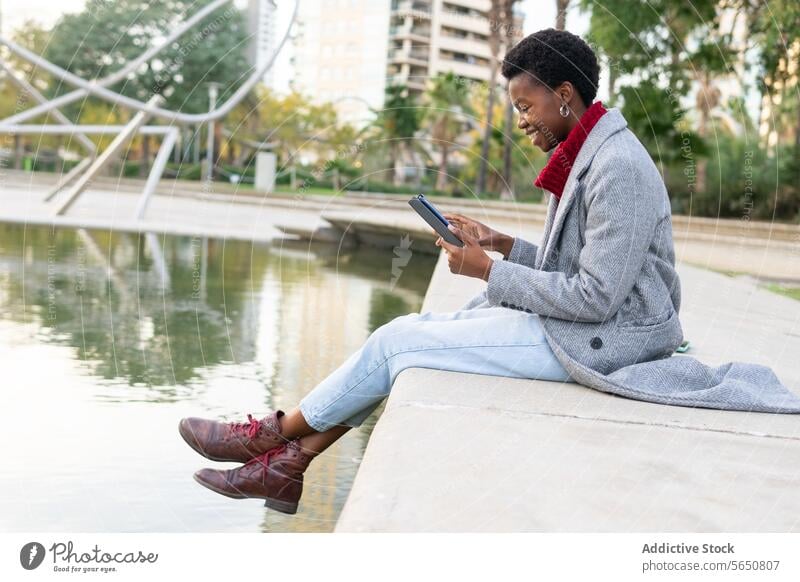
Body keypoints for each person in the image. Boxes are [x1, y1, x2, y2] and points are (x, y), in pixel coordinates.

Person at [179, 27, 682, 515]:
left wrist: (488, 271)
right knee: (415, 334)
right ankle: (289, 461)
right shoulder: (589, 152)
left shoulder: (616, 168)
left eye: (526, 107)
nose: (522, 122)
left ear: (565, 95)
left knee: (399, 340)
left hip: (607, 342)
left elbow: (595, 297)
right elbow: (576, 271)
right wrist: (501, 244)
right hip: (590, 328)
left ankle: (275, 438)